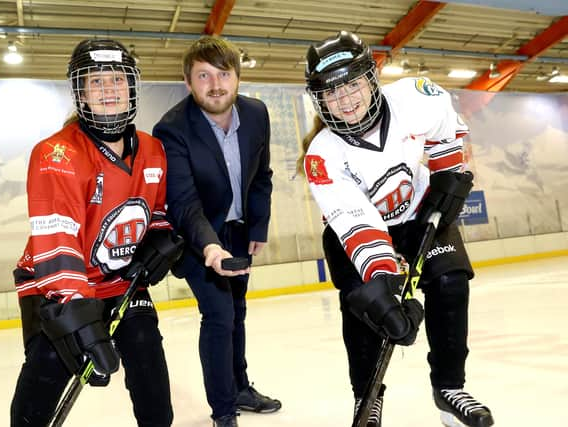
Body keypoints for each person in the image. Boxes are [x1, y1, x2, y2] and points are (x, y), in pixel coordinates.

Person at [298, 31, 494, 427]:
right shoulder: (323, 155)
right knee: (364, 309)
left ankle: (449, 388)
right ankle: (366, 399)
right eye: (332, 93)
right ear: (319, 100)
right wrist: (385, 282)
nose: (346, 100)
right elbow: (357, 223)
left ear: (371, 78)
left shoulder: (415, 98)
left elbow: (447, 129)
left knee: (451, 282)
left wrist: (446, 176)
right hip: (357, 237)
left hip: (422, 210)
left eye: (352, 84)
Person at [10, 39, 183, 427]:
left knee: (152, 381)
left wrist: (161, 236)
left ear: (132, 88)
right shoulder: (56, 152)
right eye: (96, 81)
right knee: (44, 382)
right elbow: (56, 239)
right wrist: (78, 315)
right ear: (81, 93)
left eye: (117, 80)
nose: (108, 89)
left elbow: (153, 210)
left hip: (121, 282)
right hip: (55, 287)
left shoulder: (154, 150)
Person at [152, 36, 280, 427]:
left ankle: (240, 386)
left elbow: (262, 176)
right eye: (203, 75)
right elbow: (185, 203)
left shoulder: (257, 114)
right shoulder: (171, 129)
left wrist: (257, 223)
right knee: (220, 314)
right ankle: (224, 410)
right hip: (196, 238)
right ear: (189, 82)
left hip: (240, 232)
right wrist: (209, 247)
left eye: (224, 74)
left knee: (237, 311)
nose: (216, 84)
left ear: (237, 78)